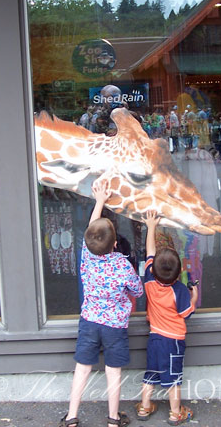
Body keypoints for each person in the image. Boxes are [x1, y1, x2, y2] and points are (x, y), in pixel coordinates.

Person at [59, 180, 143, 427]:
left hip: (89, 322)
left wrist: (99, 202)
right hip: (115, 326)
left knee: (82, 367)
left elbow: (91, 229)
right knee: (113, 371)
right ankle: (113, 419)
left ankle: (72, 416)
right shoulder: (122, 265)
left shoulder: (86, 255)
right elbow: (137, 290)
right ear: (115, 243)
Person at [135, 211, 198, 426]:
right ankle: (175, 413)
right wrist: (194, 296)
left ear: (153, 268)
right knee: (174, 378)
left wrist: (151, 226)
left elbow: (150, 253)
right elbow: (186, 313)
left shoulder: (149, 280)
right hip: (173, 341)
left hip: (155, 338)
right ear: (178, 273)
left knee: (151, 374)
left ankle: (144, 407)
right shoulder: (179, 290)